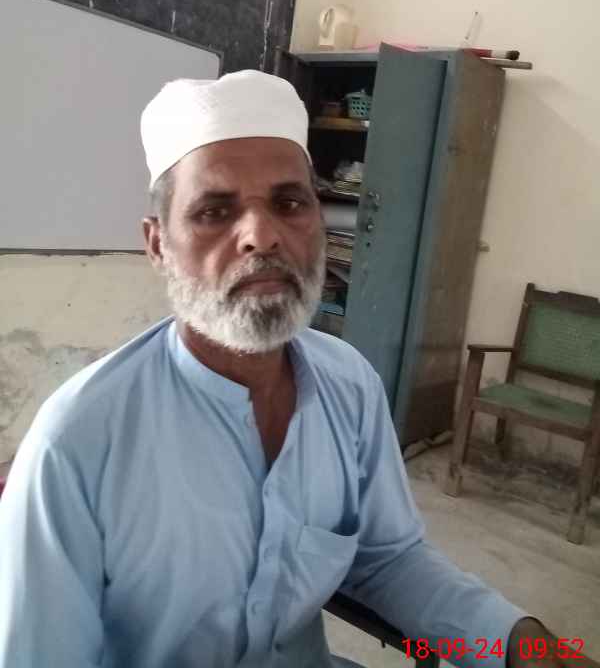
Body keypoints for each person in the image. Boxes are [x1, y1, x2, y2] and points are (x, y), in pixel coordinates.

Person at [0, 70, 596, 668]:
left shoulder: (350, 386)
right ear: (158, 245)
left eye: (289, 204)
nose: (262, 236)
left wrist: (525, 647)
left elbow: (387, 560)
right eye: (214, 211)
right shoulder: (76, 444)